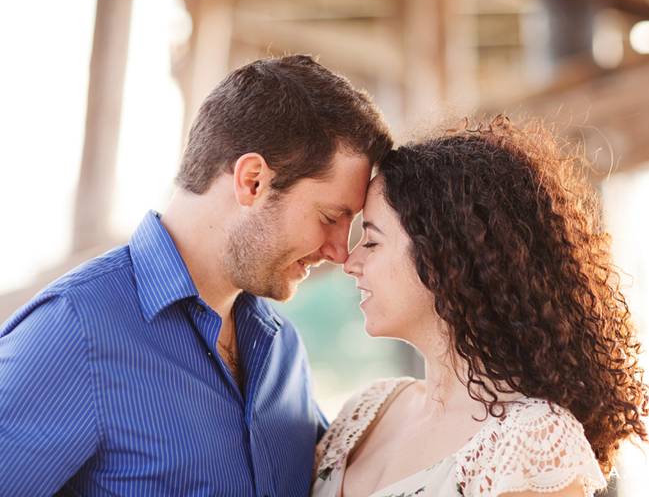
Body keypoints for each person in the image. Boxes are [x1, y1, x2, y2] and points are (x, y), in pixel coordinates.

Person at [0, 55, 392, 496]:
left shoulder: (281, 349)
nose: (340, 252)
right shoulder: (72, 332)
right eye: (330, 216)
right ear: (253, 181)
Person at [312, 116, 649, 497]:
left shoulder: (530, 441)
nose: (349, 262)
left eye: (371, 242)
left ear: (445, 256)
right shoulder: (368, 410)